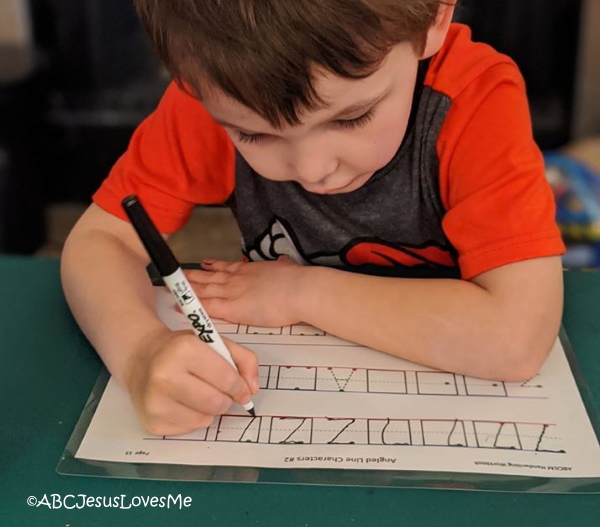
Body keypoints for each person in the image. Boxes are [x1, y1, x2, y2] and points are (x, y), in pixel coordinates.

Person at [61, 0, 565, 436]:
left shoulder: (475, 99)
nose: (312, 169)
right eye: (253, 135)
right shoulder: (215, 91)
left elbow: (516, 339)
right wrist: (140, 352)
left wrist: (300, 292)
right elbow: (100, 241)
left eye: (351, 117)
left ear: (432, 19)